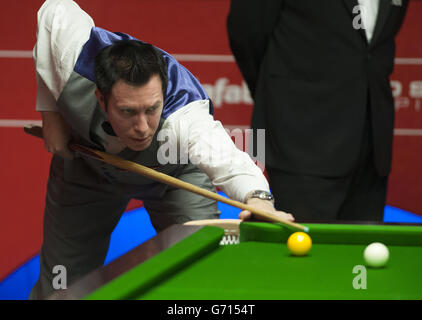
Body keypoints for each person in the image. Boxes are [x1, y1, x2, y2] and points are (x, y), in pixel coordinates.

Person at [29, 0, 294, 299]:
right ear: (100, 99)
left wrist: (258, 199)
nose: (142, 127)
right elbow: (53, 9)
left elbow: (225, 157)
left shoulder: (184, 112)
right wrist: (49, 112)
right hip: (88, 169)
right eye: (128, 112)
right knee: (61, 285)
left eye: (151, 109)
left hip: (175, 176)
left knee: (200, 273)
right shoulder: (74, 60)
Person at [227, 0, 409, 222]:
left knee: (360, 253)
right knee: (301, 249)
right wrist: (282, 98)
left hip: (372, 140)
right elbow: (246, 32)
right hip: (302, 138)